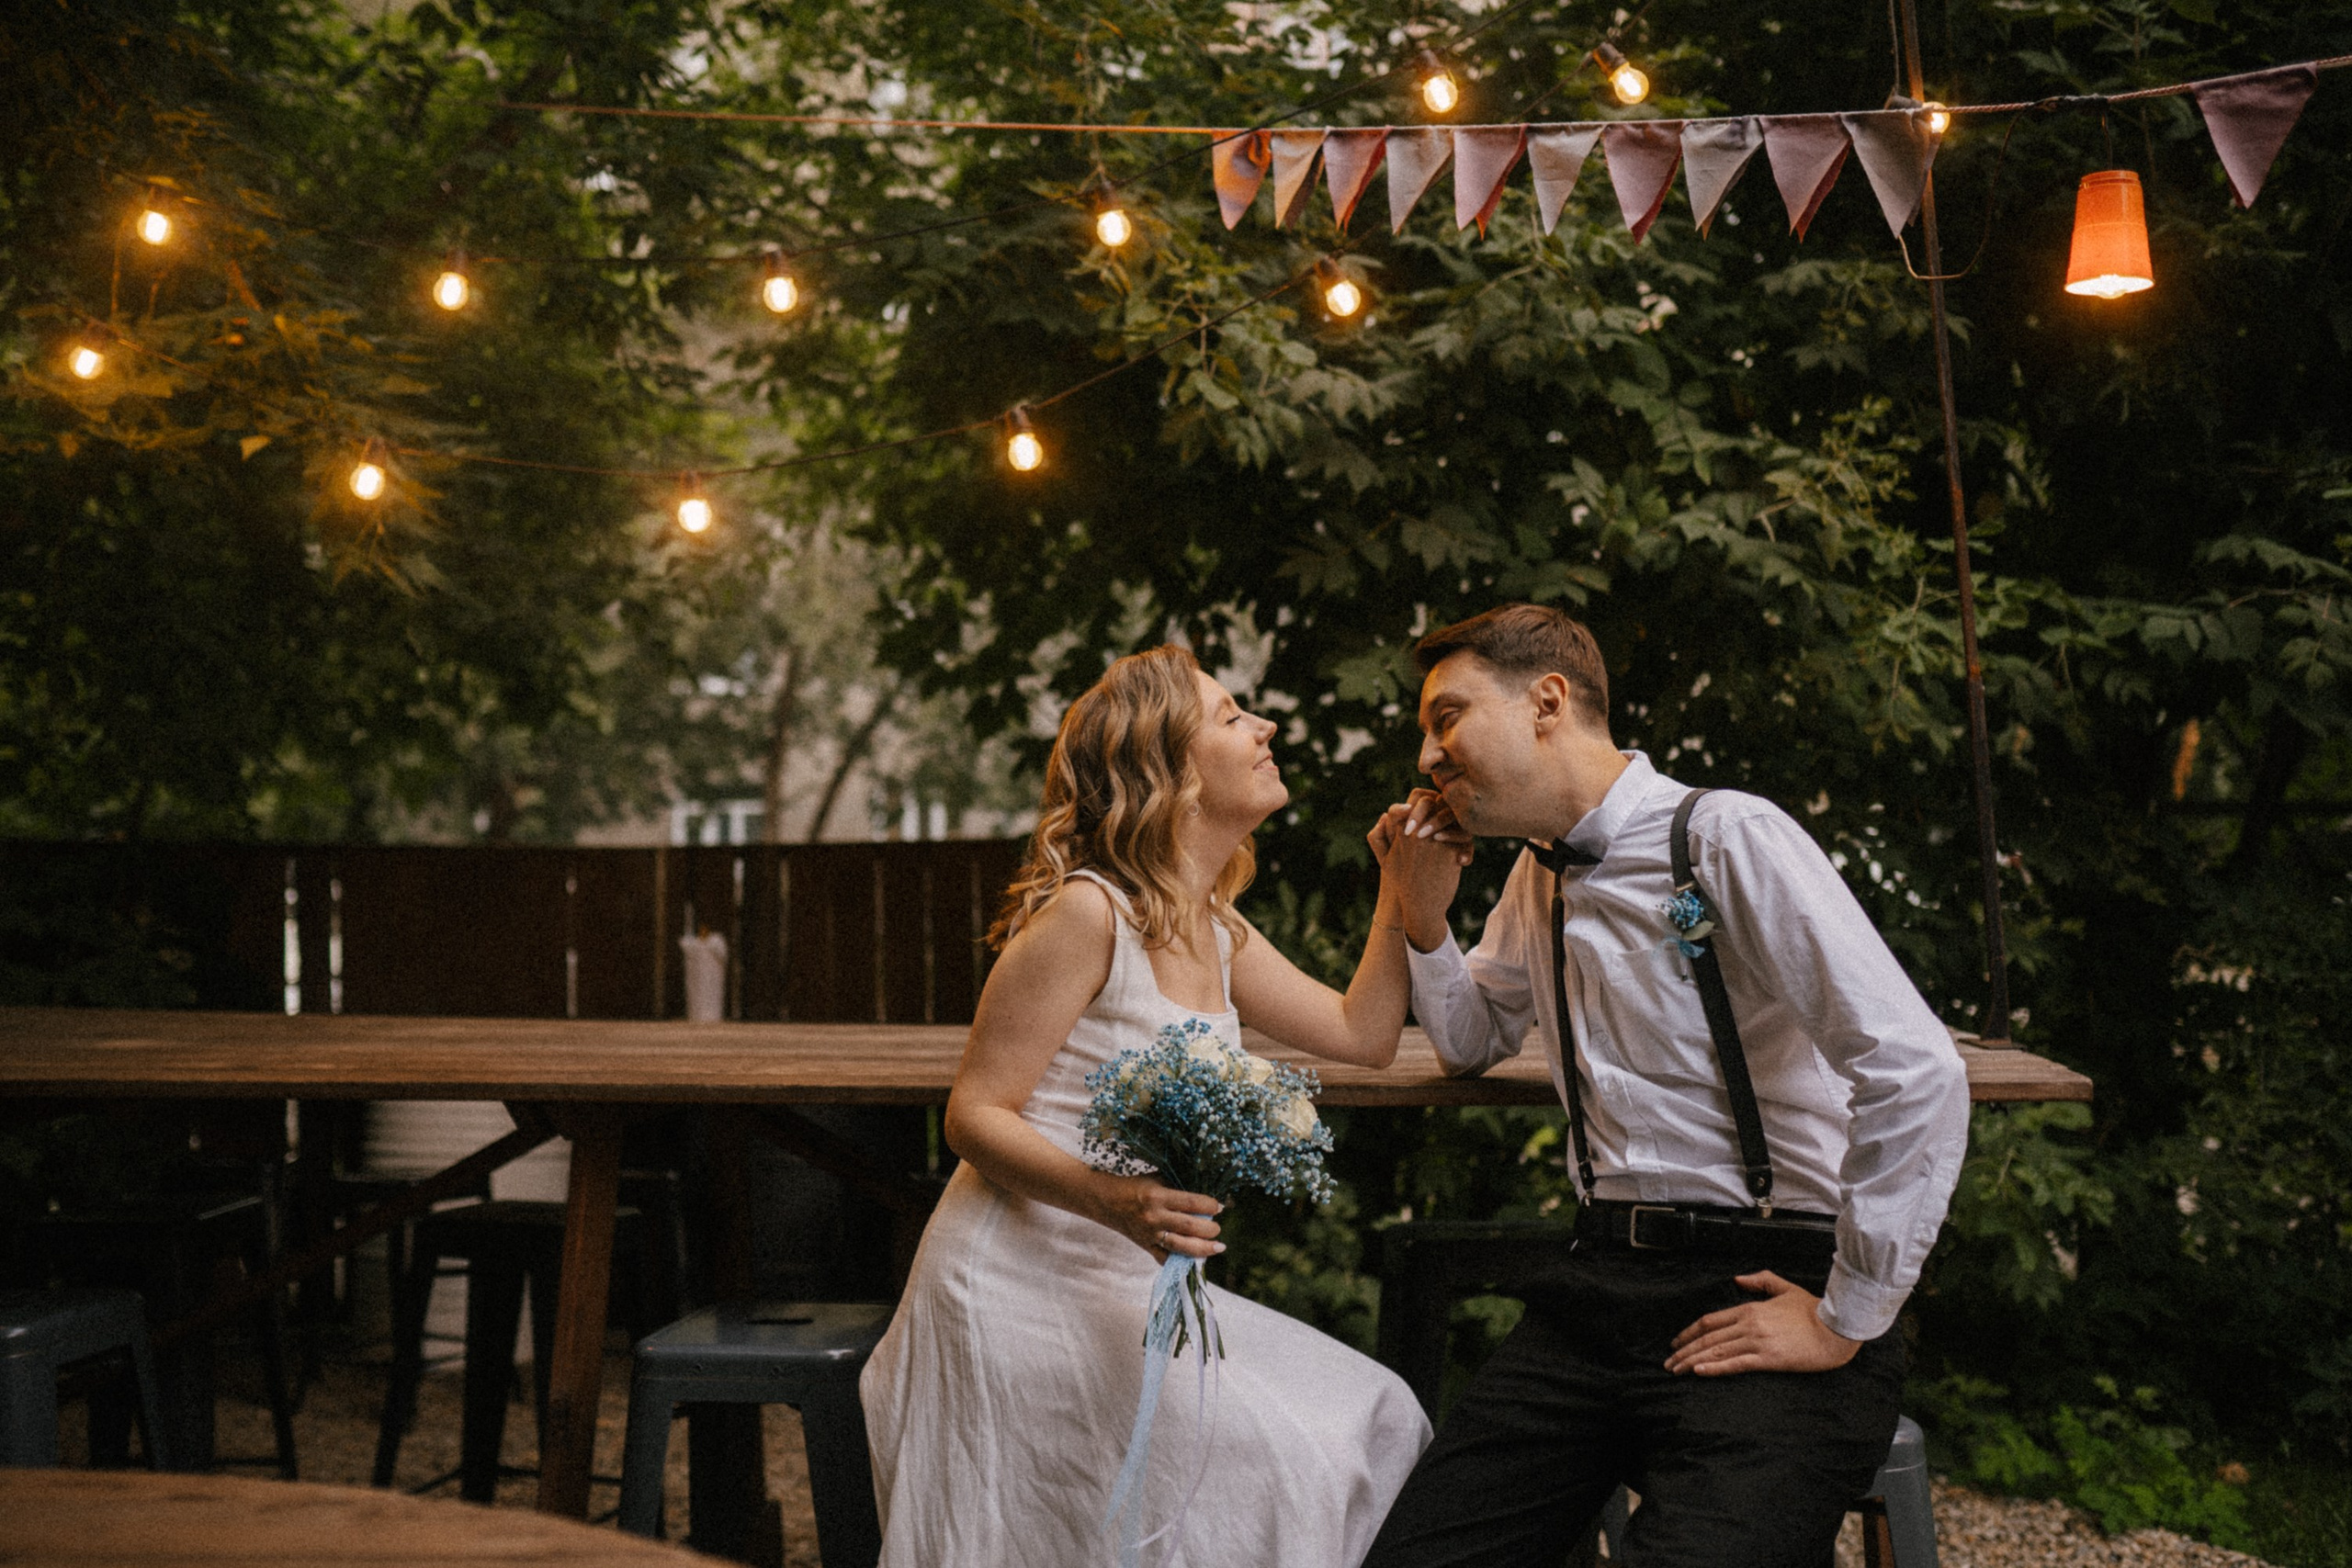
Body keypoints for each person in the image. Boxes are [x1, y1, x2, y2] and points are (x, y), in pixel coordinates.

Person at [1360, 604, 1971, 1568]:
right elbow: (1472, 1039)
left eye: (1447, 718)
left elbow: (1914, 1070)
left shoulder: (1725, 836)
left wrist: (1844, 1316)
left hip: (1767, 1285)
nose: (1428, 756)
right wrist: (1424, 921)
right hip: (1597, 1289)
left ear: (1548, 702)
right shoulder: (1535, 879)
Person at [861, 644, 1431, 1568]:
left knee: (1377, 1417)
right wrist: (1110, 1198)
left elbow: (1361, 1032)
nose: (1265, 728)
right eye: (1231, 715)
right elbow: (971, 1113)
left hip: (1129, 1294)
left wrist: (1402, 892)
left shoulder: (1212, 925)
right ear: (1166, 771)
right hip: (1016, 1296)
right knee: (1294, 1463)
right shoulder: (1088, 915)